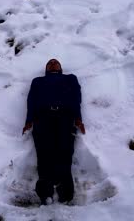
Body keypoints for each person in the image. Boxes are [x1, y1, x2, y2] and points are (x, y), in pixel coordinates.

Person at [22, 59, 86, 205]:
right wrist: (28, 120)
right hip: (42, 119)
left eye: (55, 62)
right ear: (46, 69)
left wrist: (78, 119)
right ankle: (45, 193)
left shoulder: (70, 79)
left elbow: (76, 98)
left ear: (61, 67)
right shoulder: (37, 81)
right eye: (49, 63)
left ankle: (66, 193)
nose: (52, 63)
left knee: (65, 153)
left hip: (65, 118)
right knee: (44, 154)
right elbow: (31, 100)